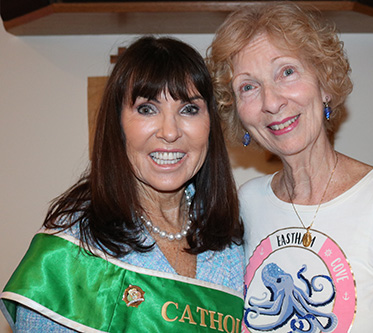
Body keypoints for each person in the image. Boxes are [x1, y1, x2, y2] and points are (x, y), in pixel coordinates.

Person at [207, 2, 373, 332]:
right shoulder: (248, 203)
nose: (271, 102)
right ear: (237, 111)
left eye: (286, 72)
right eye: (248, 86)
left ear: (325, 83)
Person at [0, 36, 244, 332]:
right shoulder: (71, 250)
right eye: (147, 109)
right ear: (118, 125)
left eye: (189, 109)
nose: (170, 132)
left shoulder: (231, 241)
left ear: (210, 125)